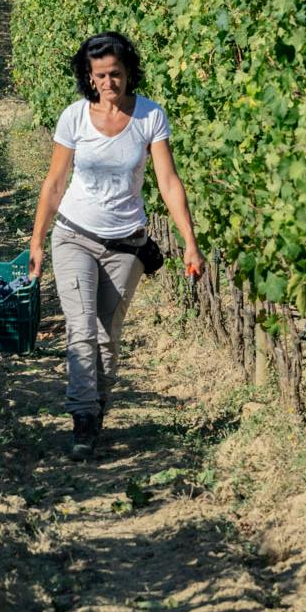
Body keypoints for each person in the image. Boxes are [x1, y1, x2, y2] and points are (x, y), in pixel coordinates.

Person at [29, 32, 203, 460]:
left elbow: (167, 181)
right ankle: (82, 420)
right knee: (81, 329)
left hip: (127, 244)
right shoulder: (73, 117)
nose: (109, 83)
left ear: (129, 73)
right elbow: (54, 183)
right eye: (100, 75)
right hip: (74, 235)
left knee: (106, 337)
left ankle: (96, 408)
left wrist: (189, 242)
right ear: (88, 77)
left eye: (116, 74)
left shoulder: (150, 117)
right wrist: (36, 240)